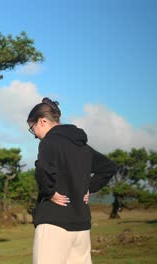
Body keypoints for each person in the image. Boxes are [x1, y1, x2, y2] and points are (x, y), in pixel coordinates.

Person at [27, 97, 117, 264]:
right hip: (81, 226)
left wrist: (49, 192)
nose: (35, 135)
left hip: (54, 224)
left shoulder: (49, 142)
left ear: (42, 121)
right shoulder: (82, 146)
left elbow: (42, 170)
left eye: (32, 129)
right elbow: (109, 167)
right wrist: (88, 188)